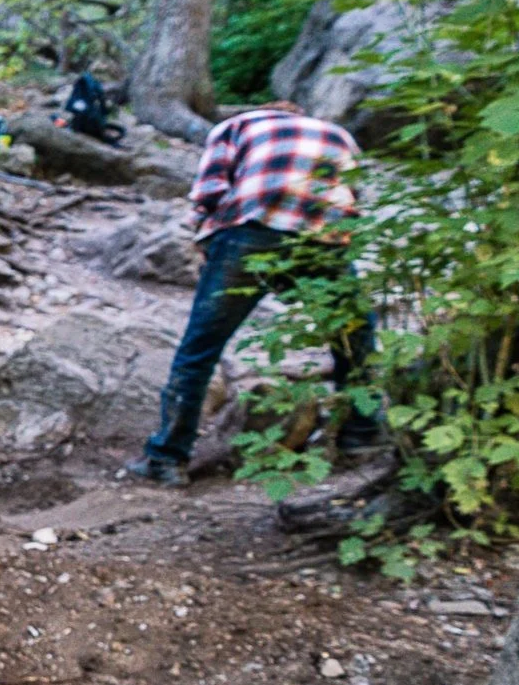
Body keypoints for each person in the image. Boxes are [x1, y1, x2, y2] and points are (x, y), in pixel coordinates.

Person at [126, 100, 378, 487]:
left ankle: (167, 458)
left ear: (264, 111)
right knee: (355, 337)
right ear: (298, 114)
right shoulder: (336, 134)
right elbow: (354, 194)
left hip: (252, 229)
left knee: (201, 346)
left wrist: (206, 242)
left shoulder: (237, 126)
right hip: (324, 237)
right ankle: (361, 437)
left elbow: (209, 192)